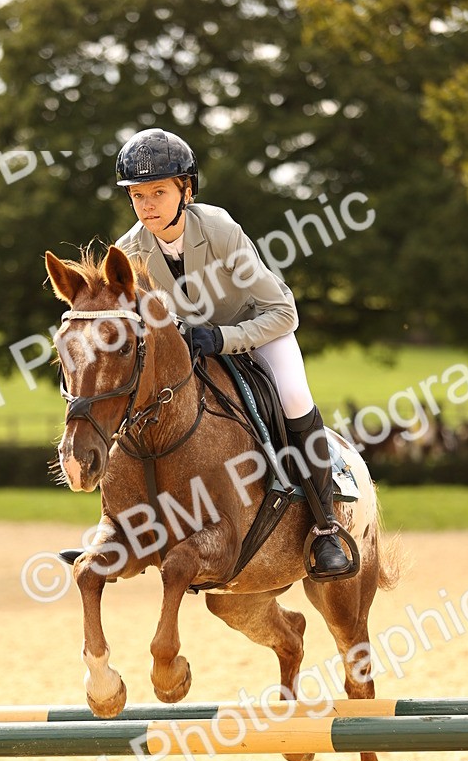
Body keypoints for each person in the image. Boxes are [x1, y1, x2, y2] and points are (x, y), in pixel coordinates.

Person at [112, 128, 349, 578]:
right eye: (138, 195)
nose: (147, 205)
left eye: (159, 192)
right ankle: (123, 531)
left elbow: (284, 312)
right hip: (194, 347)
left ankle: (326, 530)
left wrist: (223, 339)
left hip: (260, 329)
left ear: (186, 190)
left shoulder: (220, 230)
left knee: (294, 398)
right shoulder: (129, 251)